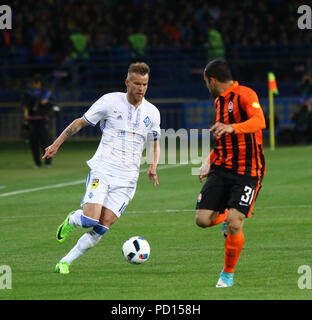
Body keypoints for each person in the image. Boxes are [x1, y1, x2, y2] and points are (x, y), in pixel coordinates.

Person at [42, 62, 161, 274]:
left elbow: (155, 142)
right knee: (89, 220)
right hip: (104, 169)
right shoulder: (109, 101)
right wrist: (55, 144)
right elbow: (79, 123)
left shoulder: (152, 112)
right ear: (127, 83)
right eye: (136, 83)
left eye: (144, 84)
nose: (141, 88)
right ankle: (72, 219)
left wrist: (153, 166)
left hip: (128, 179)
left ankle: (65, 262)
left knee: (102, 226)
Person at [195, 60, 266, 287]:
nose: (206, 85)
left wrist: (233, 127)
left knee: (235, 225)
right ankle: (231, 213)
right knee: (202, 220)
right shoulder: (218, 102)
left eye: (205, 81)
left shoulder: (245, 94)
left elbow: (259, 120)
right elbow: (223, 139)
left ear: (211, 80)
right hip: (222, 167)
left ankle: (227, 274)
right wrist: (209, 161)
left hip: (249, 172)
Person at [21, 74, 55, 168]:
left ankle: (48, 162)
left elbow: (52, 104)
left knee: (46, 142)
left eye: (37, 82)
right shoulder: (29, 93)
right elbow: (24, 104)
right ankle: (37, 162)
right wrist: (25, 110)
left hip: (42, 120)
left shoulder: (46, 93)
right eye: (34, 83)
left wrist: (47, 102)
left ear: (41, 83)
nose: (36, 84)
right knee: (33, 142)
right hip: (32, 121)